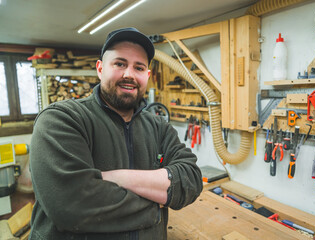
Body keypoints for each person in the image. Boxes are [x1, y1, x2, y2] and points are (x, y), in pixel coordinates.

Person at [29, 27, 203, 240]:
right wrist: (160, 202)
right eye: (120, 64)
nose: (129, 74)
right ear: (100, 69)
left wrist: (115, 178)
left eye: (139, 67)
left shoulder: (159, 127)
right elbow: (72, 205)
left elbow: (191, 180)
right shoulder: (62, 119)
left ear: (147, 75)